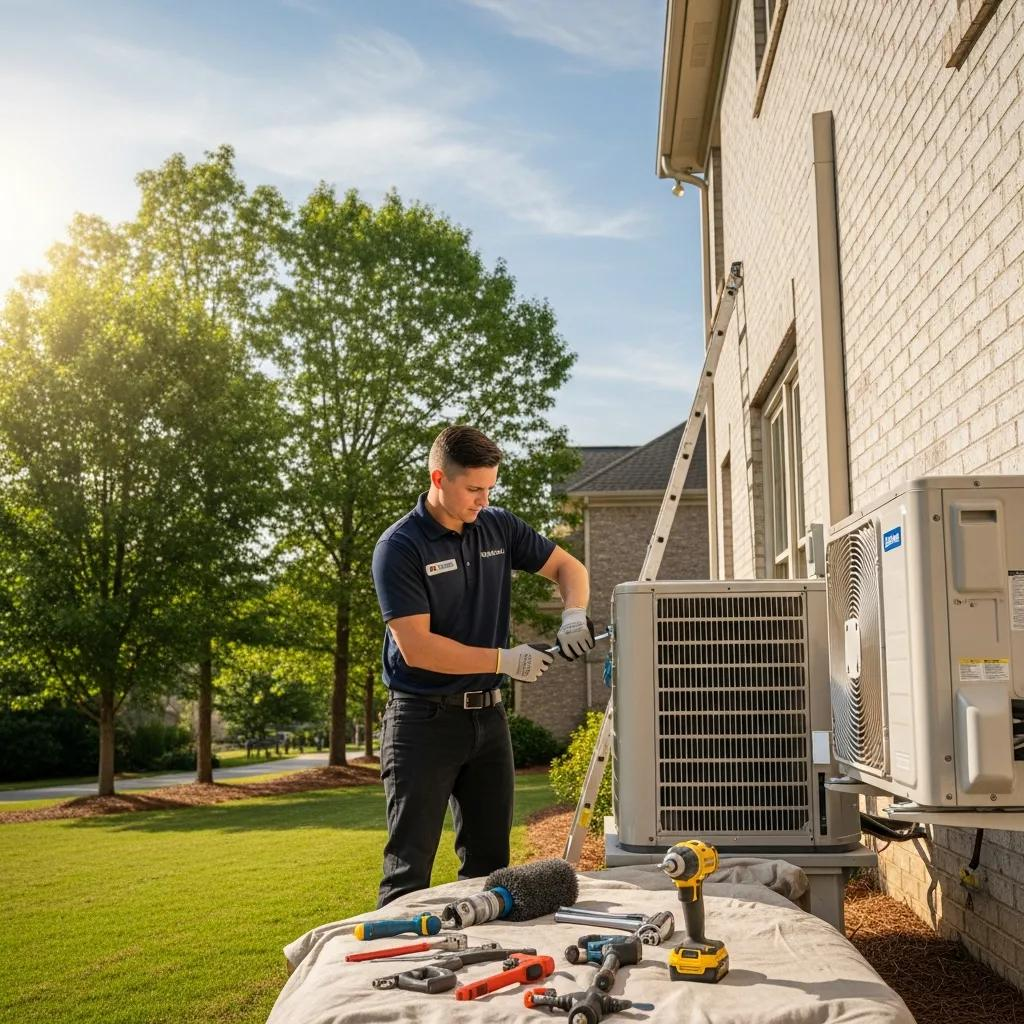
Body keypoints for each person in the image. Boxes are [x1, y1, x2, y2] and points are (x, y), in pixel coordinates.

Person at [371, 425, 593, 907]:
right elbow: (418, 648)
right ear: (438, 478)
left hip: (488, 720)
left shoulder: (497, 526)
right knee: (409, 870)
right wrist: (505, 660)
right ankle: (387, 974)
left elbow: (568, 568)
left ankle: (483, 966)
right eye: (473, 489)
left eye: (489, 488)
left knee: (493, 868)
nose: (482, 500)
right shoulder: (400, 547)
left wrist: (574, 613)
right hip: (421, 723)